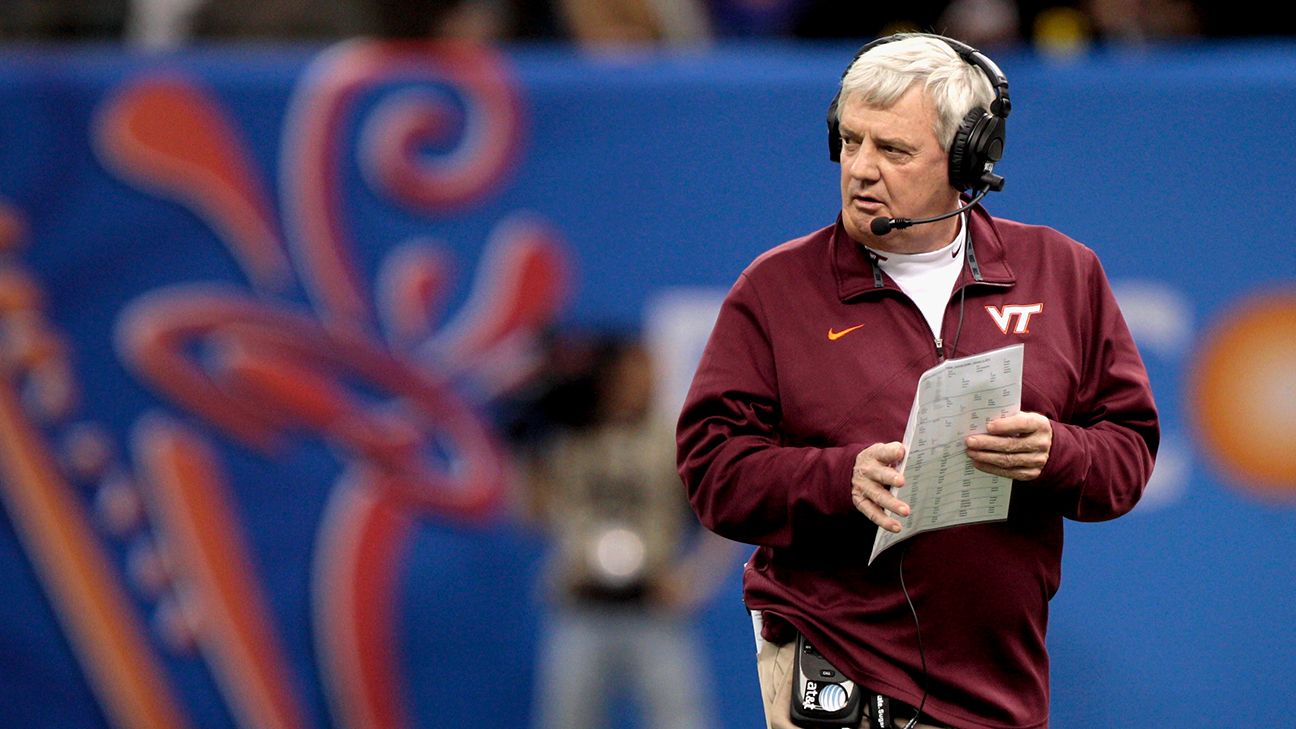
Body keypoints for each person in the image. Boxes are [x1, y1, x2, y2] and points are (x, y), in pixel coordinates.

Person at [675, 33, 1158, 729]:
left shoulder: (1063, 272)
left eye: (893, 150)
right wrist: (838, 479)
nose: (862, 169)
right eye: (851, 142)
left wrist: (1056, 453)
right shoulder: (774, 290)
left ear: (967, 159)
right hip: (838, 667)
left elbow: (1129, 452)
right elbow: (712, 473)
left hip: (1000, 680)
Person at [523, 334, 738, 729]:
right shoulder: (573, 435)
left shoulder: (674, 438)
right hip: (582, 604)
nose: (644, 383)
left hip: (653, 607)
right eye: (633, 374)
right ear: (609, 377)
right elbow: (535, 514)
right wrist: (525, 446)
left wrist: (695, 580)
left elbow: (722, 515)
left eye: (650, 373)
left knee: (682, 721)